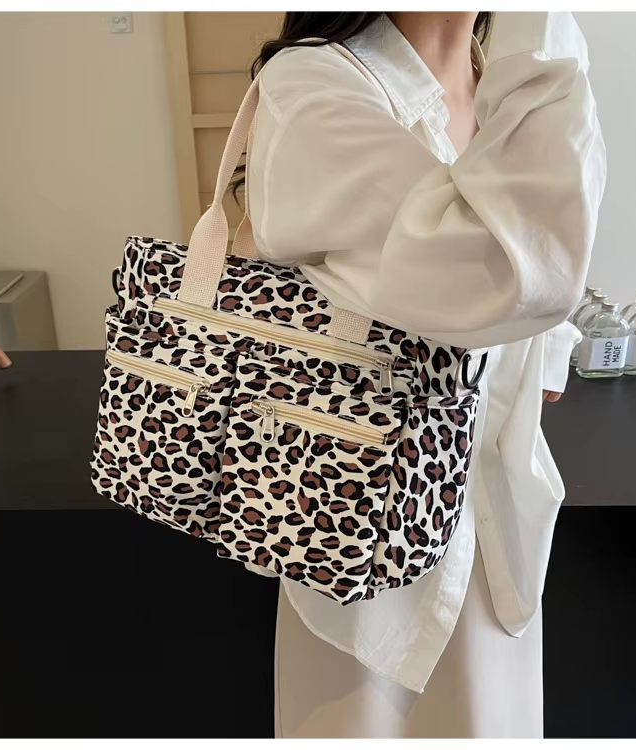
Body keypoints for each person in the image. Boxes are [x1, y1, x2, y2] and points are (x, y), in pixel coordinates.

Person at [238, 11, 606, 739]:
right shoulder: (314, 85)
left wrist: (542, 342)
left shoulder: (501, 78)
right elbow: (512, 269)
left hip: (496, 534)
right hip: (360, 548)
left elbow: (539, 284)